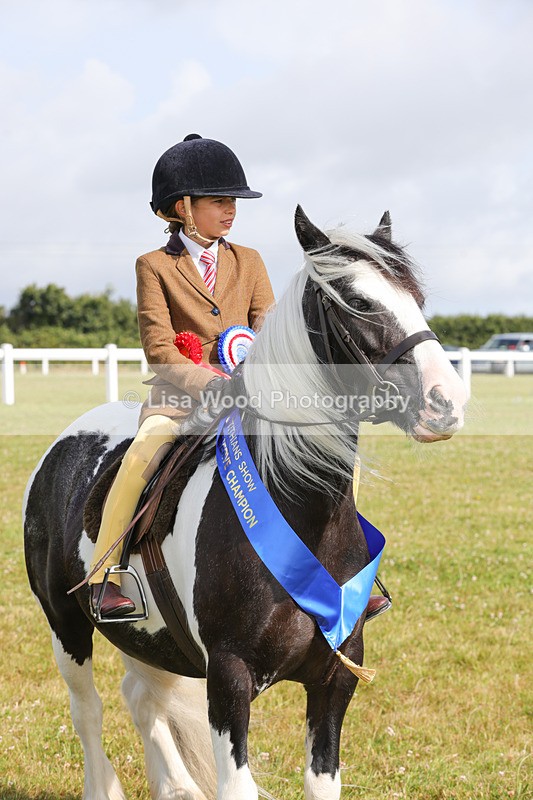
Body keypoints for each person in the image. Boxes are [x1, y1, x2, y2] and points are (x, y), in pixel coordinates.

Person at [89, 134, 275, 617]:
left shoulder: (250, 261)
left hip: (252, 394)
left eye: (234, 200)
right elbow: (159, 349)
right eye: (219, 201)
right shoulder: (153, 266)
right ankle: (108, 575)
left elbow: (269, 330)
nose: (231, 210)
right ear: (183, 207)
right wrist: (212, 384)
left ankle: (350, 566)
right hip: (182, 396)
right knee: (140, 456)